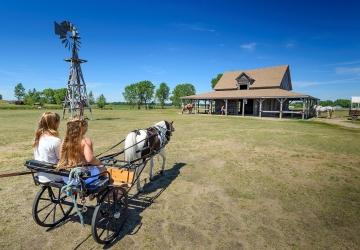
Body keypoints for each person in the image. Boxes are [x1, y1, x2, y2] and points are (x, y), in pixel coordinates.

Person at [57, 118, 104, 184]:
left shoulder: (64, 141)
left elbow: (60, 157)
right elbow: (90, 160)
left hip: (66, 178)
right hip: (81, 178)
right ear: (83, 128)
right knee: (103, 169)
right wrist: (99, 162)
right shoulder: (85, 141)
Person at [33, 112, 62, 183]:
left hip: (41, 175)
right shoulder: (56, 141)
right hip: (54, 176)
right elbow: (62, 160)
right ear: (55, 123)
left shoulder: (37, 138)